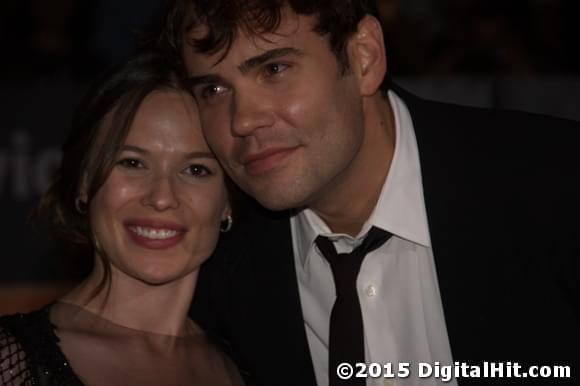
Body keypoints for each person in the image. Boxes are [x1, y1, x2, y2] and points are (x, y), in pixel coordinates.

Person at [163, 1, 579, 386]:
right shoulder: (215, 264)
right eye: (213, 90)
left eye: (274, 70)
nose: (243, 121)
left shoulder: (552, 183)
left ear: (365, 57)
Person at [0, 50, 243, 386]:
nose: (161, 198)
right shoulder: (10, 363)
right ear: (85, 182)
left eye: (196, 169)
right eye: (132, 163)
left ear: (228, 201)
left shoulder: (250, 367)